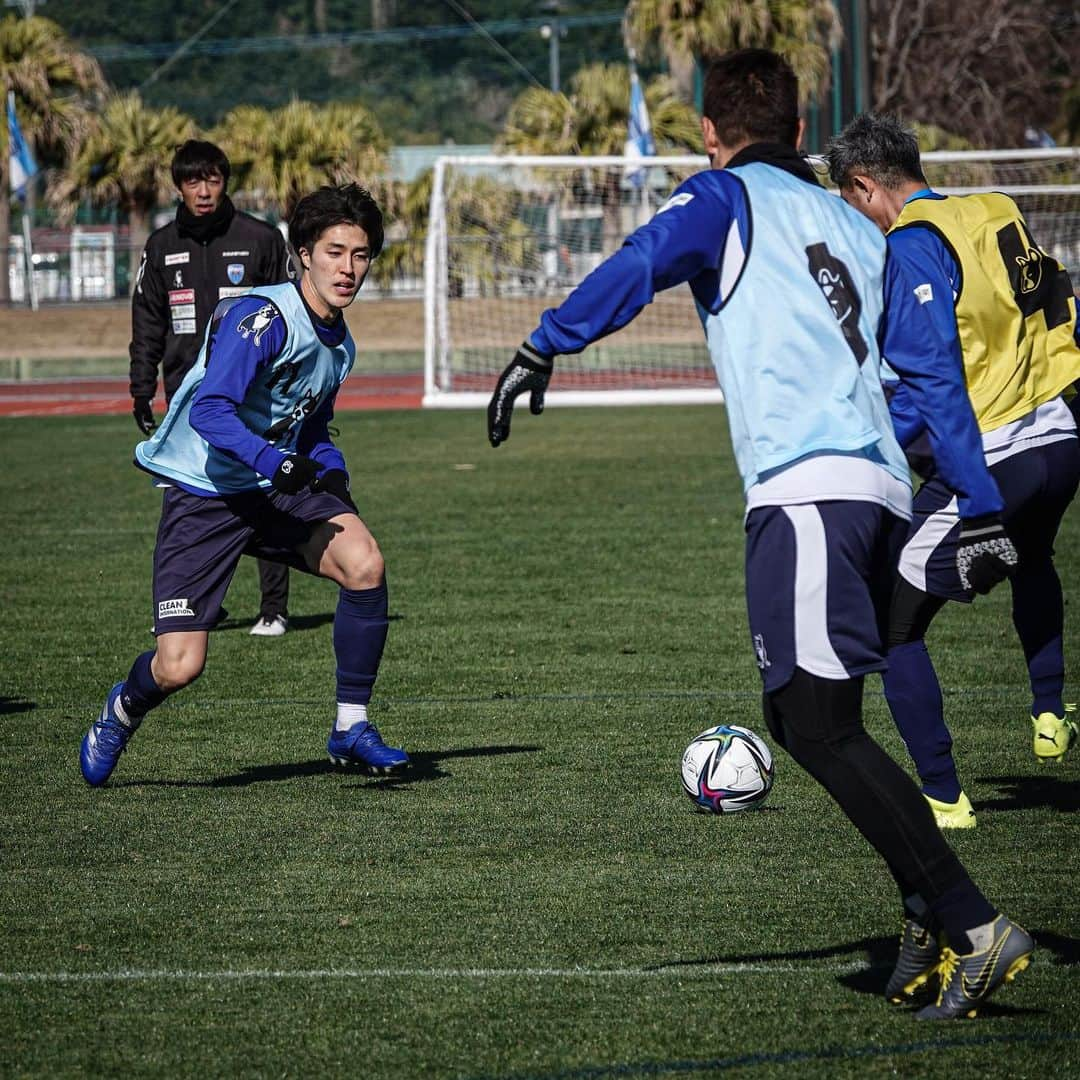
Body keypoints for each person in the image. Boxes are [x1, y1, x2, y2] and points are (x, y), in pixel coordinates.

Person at [487, 48, 1033, 1020]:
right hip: (877, 490)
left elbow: (643, 259)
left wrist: (546, 341)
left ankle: (973, 923)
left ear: (710, 130)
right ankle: (923, 913)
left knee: (817, 725)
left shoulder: (725, 196)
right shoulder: (858, 224)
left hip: (809, 493)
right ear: (801, 117)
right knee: (803, 719)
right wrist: (969, 493)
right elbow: (922, 370)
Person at [82, 183, 409, 787]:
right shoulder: (262, 317)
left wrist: (330, 474)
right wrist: (276, 462)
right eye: (335, 251)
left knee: (364, 564)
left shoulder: (340, 347)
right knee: (180, 666)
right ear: (304, 253)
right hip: (206, 492)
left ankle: (351, 726)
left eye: (361, 255)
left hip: (271, 485)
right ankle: (120, 712)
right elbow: (210, 411)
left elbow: (309, 428)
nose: (348, 268)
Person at [825, 114, 1080, 829]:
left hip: (996, 460)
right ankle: (1049, 711)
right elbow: (1064, 303)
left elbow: (932, 367)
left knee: (891, 626)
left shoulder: (909, 246)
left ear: (865, 187)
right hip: (1060, 442)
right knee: (1033, 558)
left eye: (850, 203)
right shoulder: (998, 210)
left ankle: (942, 796)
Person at [130, 139, 296, 637]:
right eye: (192, 182)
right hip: (187, 397)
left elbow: (291, 310)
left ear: (226, 182)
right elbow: (147, 320)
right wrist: (142, 387)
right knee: (188, 499)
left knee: (261, 488)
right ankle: (198, 602)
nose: (203, 191)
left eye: (213, 180)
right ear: (178, 187)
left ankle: (274, 608)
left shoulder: (262, 238)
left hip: (253, 395)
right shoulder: (161, 247)